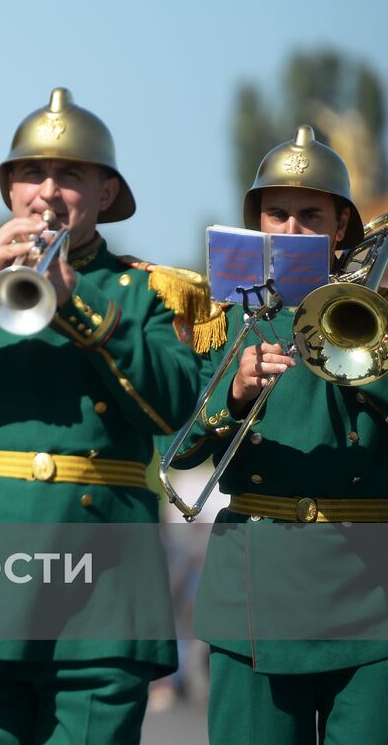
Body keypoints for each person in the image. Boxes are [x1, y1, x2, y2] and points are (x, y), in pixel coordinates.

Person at [0, 87, 205, 744]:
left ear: (106, 193)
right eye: (31, 174)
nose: (47, 191)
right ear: (9, 190)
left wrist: (80, 307)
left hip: (100, 590)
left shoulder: (141, 292)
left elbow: (180, 409)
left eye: (70, 175)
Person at [169, 124, 388, 744]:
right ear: (258, 223)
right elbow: (177, 447)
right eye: (278, 214)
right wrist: (234, 394)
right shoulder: (225, 317)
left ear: (342, 226)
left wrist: (367, 358)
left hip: (371, 583)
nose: (291, 230)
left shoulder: (381, 309)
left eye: (310, 215)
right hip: (257, 586)